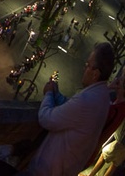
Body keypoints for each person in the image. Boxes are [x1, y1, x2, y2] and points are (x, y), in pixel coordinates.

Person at [26, 42, 115, 176]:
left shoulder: (88, 100)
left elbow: (46, 118)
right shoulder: (102, 97)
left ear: (95, 74)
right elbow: (72, 109)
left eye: (87, 65)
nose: (84, 69)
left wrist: (49, 93)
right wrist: (57, 95)